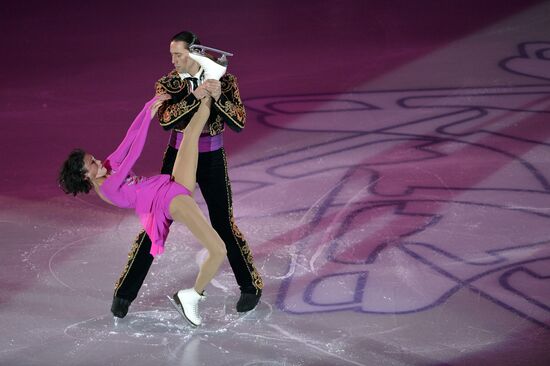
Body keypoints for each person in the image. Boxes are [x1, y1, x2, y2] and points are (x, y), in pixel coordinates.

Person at [109, 31, 263, 319]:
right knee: (156, 222)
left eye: (178, 54)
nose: (173, 60)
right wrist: (195, 96)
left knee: (222, 223)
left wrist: (219, 98)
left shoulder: (225, 80)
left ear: (193, 53)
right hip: (178, 159)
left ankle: (250, 286)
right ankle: (124, 293)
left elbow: (239, 121)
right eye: (172, 54)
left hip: (213, 158)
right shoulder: (167, 82)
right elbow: (167, 120)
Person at [58, 95, 224, 327]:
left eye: (93, 157)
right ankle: (192, 296)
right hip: (164, 202)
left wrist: (147, 107)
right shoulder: (107, 186)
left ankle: (209, 83)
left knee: (193, 130)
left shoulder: (107, 166)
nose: (97, 160)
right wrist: (148, 119)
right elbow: (134, 153)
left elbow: (129, 137)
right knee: (218, 250)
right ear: (85, 177)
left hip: (166, 186)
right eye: (92, 163)